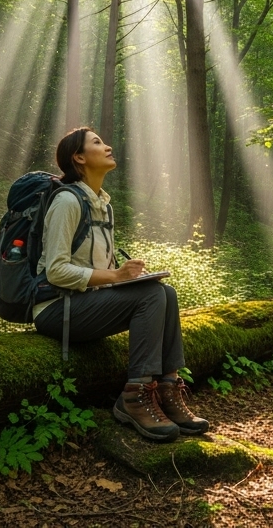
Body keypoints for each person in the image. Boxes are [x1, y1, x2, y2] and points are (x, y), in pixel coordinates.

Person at [33, 126, 210, 443]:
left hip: (86, 304)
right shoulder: (67, 202)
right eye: (97, 143)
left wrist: (126, 275)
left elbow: (97, 270)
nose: (108, 146)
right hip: (57, 309)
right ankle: (134, 397)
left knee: (165, 292)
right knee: (152, 295)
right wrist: (116, 277)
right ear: (79, 157)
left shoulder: (102, 205)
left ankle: (168, 389)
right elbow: (56, 271)